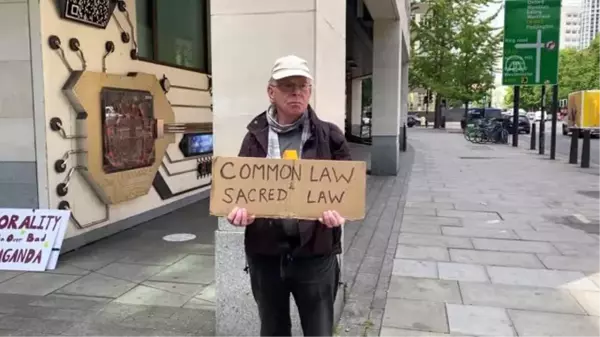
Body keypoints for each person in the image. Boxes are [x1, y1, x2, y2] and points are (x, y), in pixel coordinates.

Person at [226, 55, 351, 337]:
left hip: (316, 254)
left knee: (319, 330)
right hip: (266, 253)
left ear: (310, 91)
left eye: (303, 86)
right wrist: (238, 212)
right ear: (271, 91)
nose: (296, 92)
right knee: (272, 329)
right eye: (287, 85)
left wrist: (339, 213)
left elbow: (346, 192)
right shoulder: (254, 136)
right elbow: (240, 192)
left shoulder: (330, 136)